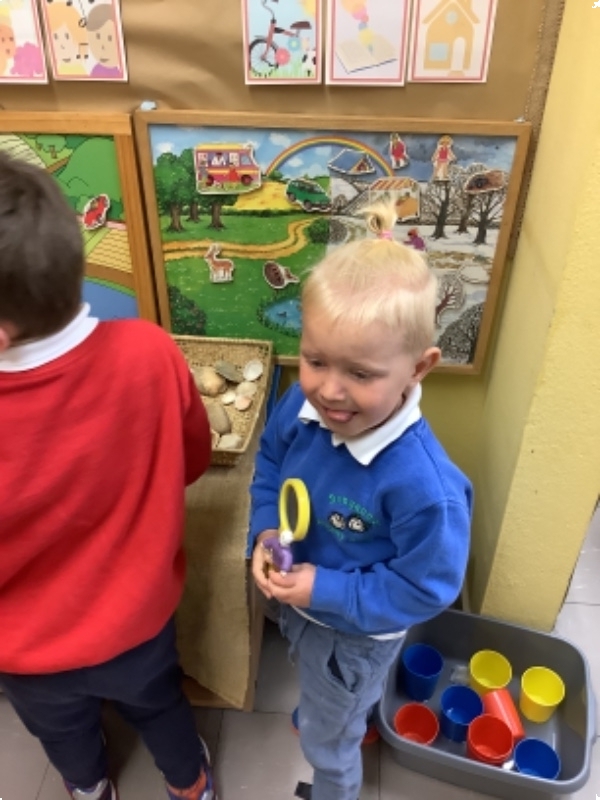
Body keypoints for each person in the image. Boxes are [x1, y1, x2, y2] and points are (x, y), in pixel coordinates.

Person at [0, 152, 215, 800]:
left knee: (61, 732)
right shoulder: (151, 352)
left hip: (26, 653)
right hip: (139, 623)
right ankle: (190, 784)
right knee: (160, 703)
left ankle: (89, 787)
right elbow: (193, 461)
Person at [249, 200, 472, 800]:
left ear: (419, 368)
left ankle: (336, 775)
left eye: (361, 374)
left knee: (329, 746)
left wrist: (324, 590)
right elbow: (269, 465)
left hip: (352, 637)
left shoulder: (426, 489)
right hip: (308, 612)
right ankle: (340, 706)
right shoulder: (301, 404)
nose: (329, 390)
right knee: (329, 700)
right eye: (315, 360)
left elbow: (425, 589)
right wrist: (266, 531)